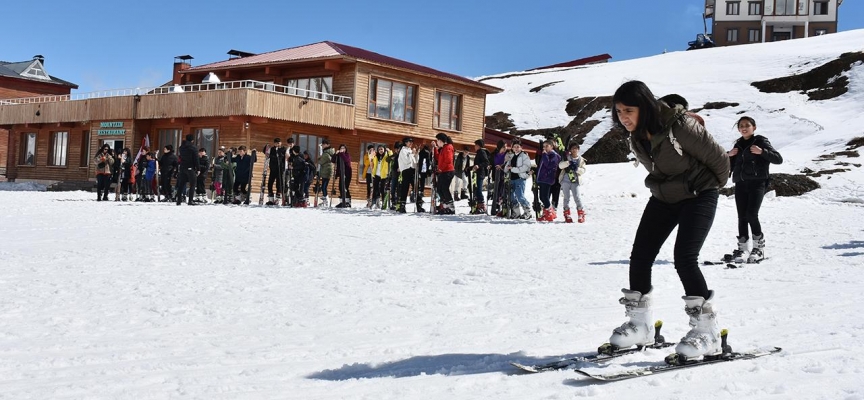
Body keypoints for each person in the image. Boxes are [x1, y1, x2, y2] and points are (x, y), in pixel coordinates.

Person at [606, 80, 730, 363]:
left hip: (699, 194)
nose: (623, 116)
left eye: (629, 110)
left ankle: (707, 333)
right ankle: (640, 327)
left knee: (684, 258)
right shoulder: (636, 135)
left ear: (645, 107)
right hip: (664, 196)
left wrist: (706, 188)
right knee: (640, 257)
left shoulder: (680, 126)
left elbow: (721, 161)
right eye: (619, 111)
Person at [728, 116, 783, 263]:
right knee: (742, 216)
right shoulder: (738, 145)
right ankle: (742, 249)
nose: (744, 128)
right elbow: (729, 167)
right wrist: (728, 156)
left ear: (754, 127)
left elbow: (778, 159)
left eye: (747, 125)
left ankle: (758, 248)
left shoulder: (760, 141)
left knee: (752, 214)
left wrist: (762, 152)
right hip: (740, 183)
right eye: (741, 126)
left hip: (758, 182)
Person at [502, 140, 533, 220]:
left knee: (520, 196)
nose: (516, 148)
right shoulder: (511, 156)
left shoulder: (524, 156)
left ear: (521, 148)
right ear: (512, 148)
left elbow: (525, 168)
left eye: (518, 147)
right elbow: (506, 168)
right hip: (511, 178)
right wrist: (506, 167)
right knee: (512, 196)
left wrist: (512, 169)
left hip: (520, 178)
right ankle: (516, 212)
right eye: (514, 147)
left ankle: (527, 212)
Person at [558, 142, 587, 223]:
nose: (574, 150)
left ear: (578, 150)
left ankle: (581, 213)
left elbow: (583, 170)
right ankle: (567, 214)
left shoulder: (581, 159)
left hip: (575, 181)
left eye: (576, 148)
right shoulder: (566, 157)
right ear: (570, 150)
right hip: (565, 180)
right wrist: (568, 163)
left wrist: (576, 169)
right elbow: (560, 166)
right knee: (566, 198)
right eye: (573, 148)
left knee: (577, 197)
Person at [536, 140, 562, 221]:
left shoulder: (554, 155)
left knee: (545, 197)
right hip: (542, 178)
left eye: (547, 146)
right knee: (541, 197)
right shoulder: (546, 155)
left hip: (548, 178)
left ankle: (550, 212)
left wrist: (544, 155)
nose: (545, 148)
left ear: (552, 146)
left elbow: (548, 165)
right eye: (544, 146)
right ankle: (547, 212)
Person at [432, 133, 456, 214]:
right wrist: (435, 148)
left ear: (441, 140)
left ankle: (451, 207)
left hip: (448, 171)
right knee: (439, 188)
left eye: (437, 140)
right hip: (444, 171)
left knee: (444, 188)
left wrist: (441, 169)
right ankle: (445, 206)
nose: (437, 142)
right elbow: (438, 157)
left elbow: (448, 160)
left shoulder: (448, 147)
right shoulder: (443, 148)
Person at [396, 137, 418, 213]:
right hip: (406, 170)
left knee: (416, 186)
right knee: (405, 188)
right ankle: (402, 205)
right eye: (409, 142)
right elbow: (406, 161)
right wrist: (412, 154)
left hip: (412, 170)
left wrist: (415, 155)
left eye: (412, 142)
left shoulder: (410, 150)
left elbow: (415, 161)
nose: (411, 143)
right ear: (405, 142)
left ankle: (418, 204)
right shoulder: (403, 150)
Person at [369, 144, 392, 209]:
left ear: (384, 149)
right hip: (376, 174)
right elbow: (371, 161)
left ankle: (384, 204)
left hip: (384, 175)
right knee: (375, 189)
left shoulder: (386, 156)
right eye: (379, 149)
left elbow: (391, 156)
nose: (380, 150)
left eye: (381, 149)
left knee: (382, 189)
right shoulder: (376, 156)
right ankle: (374, 203)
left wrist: (389, 151)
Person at [471, 139, 490, 214]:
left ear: (479, 146)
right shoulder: (478, 153)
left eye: (475, 145)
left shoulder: (482, 152)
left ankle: (482, 205)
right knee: (476, 190)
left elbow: (486, 162)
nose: (474, 147)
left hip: (480, 173)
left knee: (478, 190)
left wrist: (478, 166)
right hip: (477, 173)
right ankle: (477, 205)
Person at [267, 138, 287, 205]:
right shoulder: (272, 149)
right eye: (276, 143)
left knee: (279, 184)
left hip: (280, 169)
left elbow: (285, 158)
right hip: (273, 169)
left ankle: (277, 199)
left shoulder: (283, 149)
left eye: (278, 143)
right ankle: (271, 199)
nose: (277, 144)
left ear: (281, 143)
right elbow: (266, 152)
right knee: (270, 184)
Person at [491, 140, 509, 216]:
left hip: (504, 174)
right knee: (496, 190)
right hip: (496, 175)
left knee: (502, 190)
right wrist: (490, 166)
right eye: (504, 146)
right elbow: (491, 162)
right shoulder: (494, 154)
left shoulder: (508, 153)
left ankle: (502, 205)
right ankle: (496, 206)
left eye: (506, 146)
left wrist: (501, 166)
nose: (505, 148)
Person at [317, 139, 334, 207]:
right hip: (326, 171)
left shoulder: (326, 153)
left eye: (324, 144)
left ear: (328, 145)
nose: (323, 145)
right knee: (324, 186)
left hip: (326, 171)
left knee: (324, 187)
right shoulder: (328, 152)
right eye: (323, 144)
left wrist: (319, 158)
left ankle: (326, 200)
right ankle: (325, 200)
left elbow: (320, 161)